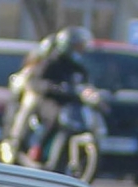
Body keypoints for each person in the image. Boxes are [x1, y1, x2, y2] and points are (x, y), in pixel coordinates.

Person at [14, 26, 94, 167]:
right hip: (49, 101)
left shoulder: (79, 67)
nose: (80, 50)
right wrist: (55, 88)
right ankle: (38, 149)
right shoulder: (51, 62)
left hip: (71, 104)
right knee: (55, 118)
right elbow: (36, 82)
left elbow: (85, 84)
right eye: (77, 46)